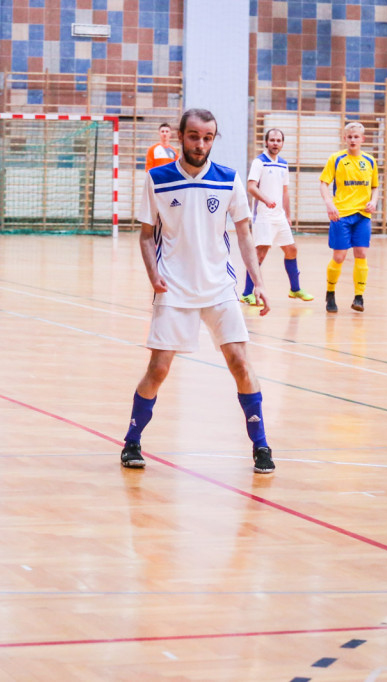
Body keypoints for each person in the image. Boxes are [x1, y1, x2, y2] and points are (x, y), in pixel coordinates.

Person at [119, 108, 276, 475]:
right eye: (194, 136)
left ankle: (262, 446)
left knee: (240, 363)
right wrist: (152, 274)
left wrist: (260, 284)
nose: (201, 144)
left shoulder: (228, 179)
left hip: (219, 288)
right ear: (180, 136)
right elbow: (145, 236)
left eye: (207, 138)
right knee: (158, 369)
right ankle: (132, 441)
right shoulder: (157, 179)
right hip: (173, 288)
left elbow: (244, 234)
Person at [240, 128, 313, 305]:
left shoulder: (283, 164)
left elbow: (285, 191)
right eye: (272, 140)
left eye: (278, 140)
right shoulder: (259, 162)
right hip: (264, 216)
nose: (275, 143)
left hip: (279, 217)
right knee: (260, 254)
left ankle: (295, 289)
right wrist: (265, 200)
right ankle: (246, 293)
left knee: (291, 250)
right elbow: (251, 187)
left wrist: (288, 215)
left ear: (282, 143)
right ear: (266, 142)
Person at [319, 121, 381, 313]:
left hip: (362, 215)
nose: (353, 140)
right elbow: (323, 183)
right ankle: (330, 293)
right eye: (349, 137)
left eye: (356, 137)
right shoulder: (336, 159)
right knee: (339, 256)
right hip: (341, 215)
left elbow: (375, 186)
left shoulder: (370, 161)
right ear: (344, 138)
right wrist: (329, 203)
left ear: (362, 139)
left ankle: (359, 297)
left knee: (361, 254)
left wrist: (374, 201)